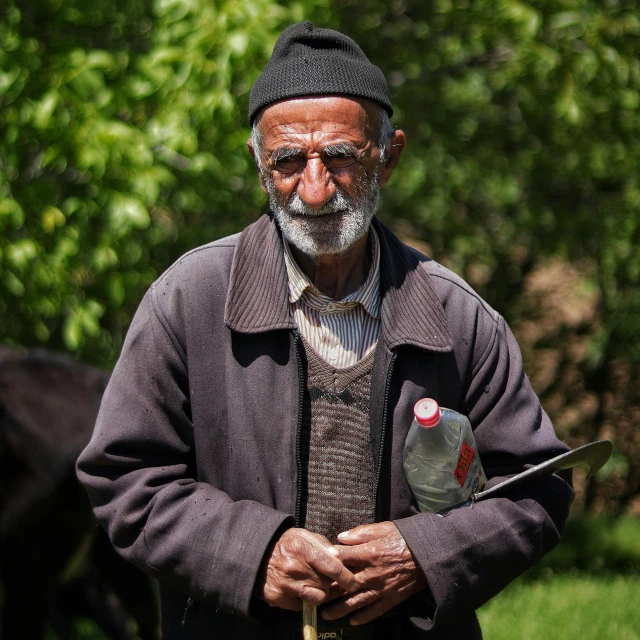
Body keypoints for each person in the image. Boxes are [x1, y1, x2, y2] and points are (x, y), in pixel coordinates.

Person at [77, 21, 574, 640]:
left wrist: (423, 554)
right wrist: (255, 554)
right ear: (257, 163)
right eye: (288, 161)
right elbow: (123, 477)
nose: (314, 190)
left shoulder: (457, 316)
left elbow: (538, 488)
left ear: (388, 156)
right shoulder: (187, 301)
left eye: (340, 156)